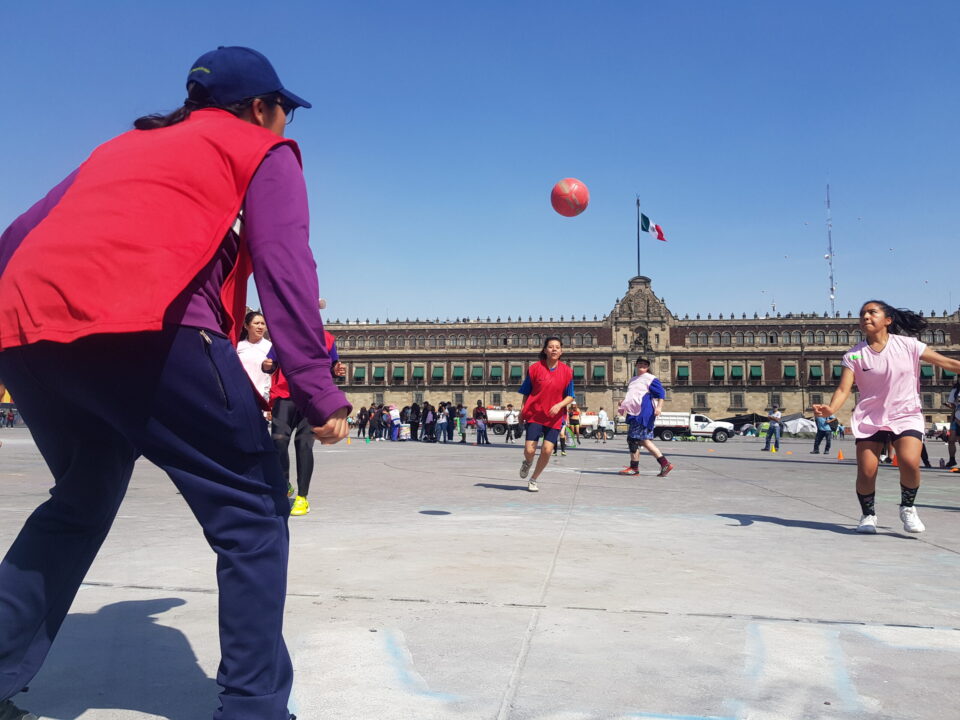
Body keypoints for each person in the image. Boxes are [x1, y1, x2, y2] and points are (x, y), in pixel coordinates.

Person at [0, 46, 350, 720]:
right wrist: (315, 386)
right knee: (252, 514)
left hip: (26, 334)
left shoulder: (123, 149)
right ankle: (253, 710)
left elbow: (19, 235)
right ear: (259, 108)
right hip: (144, 325)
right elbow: (285, 264)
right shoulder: (260, 150)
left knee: (80, 499)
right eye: (283, 113)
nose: (285, 127)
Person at [814, 300, 960, 534]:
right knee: (867, 470)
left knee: (911, 462)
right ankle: (868, 515)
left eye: (872, 312)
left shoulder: (909, 345)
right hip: (871, 418)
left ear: (888, 320)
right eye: (862, 314)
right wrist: (831, 409)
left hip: (906, 413)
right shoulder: (854, 355)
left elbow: (947, 363)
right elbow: (844, 389)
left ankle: (908, 508)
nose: (866, 317)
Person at [263, 330, 344, 516]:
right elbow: (271, 363)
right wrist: (266, 365)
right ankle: (284, 486)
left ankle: (302, 497)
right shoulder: (283, 335)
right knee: (278, 440)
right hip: (285, 395)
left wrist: (336, 370)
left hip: (314, 397)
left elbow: (333, 365)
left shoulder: (327, 338)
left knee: (304, 443)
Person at [517, 337, 575, 492]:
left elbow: (570, 395)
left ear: (561, 351)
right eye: (550, 347)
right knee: (529, 450)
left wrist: (560, 405)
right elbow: (526, 392)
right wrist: (522, 411)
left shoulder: (567, 372)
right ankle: (528, 462)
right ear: (545, 350)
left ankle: (534, 478)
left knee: (548, 449)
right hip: (535, 414)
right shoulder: (535, 369)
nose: (554, 349)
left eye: (557, 347)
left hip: (554, 416)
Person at [618, 358, 674, 477]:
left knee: (633, 440)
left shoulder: (651, 378)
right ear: (636, 365)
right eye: (640, 363)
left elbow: (661, 393)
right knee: (642, 440)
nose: (642, 365)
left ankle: (634, 468)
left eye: (645, 364)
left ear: (648, 367)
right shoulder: (633, 380)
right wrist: (624, 402)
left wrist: (659, 407)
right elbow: (635, 395)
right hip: (635, 412)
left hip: (643, 412)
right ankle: (665, 464)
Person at [236, 310, 273, 403]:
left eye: (263, 324)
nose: (260, 327)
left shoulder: (270, 347)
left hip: (262, 396)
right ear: (246, 326)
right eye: (256, 323)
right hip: (239, 394)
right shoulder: (237, 346)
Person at [944, 380, 960, 467]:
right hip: (956, 418)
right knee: (951, 440)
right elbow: (953, 405)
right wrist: (949, 405)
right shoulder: (955, 390)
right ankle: (952, 459)